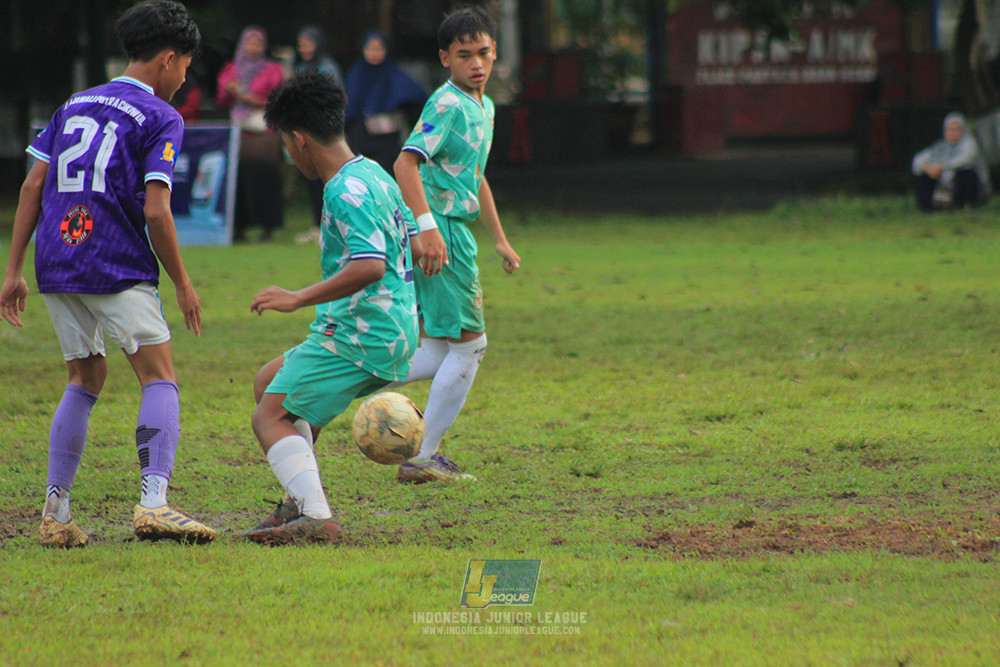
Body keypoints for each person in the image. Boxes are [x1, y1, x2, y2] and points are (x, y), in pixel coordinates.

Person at [0, 0, 215, 548]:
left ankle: (56, 512)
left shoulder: (74, 104)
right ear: (168, 59)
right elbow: (157, 210)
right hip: (115, 261)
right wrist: (185, 284)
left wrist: (14, 269)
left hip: (56, 260)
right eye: (186, 65)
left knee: (84, 379)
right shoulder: (162, 116)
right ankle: (154, 503)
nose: (185, 77)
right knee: (158, 376)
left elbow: (31, 188)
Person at [243, 70, 421, 545]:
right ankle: (296, 501)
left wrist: (297, 297)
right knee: (268, 383)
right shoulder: (371, 172)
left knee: (268, 417)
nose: (285, 152)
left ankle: (315, 515)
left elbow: (370, 265)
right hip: (387, 327)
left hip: (362, 335)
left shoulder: (344, 190)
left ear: (299, 139)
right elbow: (407, 238)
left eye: (284, 141)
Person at [391, 7, 520, 483]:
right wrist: (426, 228)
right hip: (439, 230)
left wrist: (500, 240)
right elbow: (406, 165)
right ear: (445, 58)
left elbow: (475, 177)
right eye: (464, 55)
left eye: (483, 52)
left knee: (437, 350)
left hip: (449, 228)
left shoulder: (483, 106)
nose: (477, 63)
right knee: (471, 347)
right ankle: (424, 457)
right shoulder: (446, 105)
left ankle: (340, 375)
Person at [217, 26, 285, 241]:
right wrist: (230, 92)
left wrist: (246, 95)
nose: (253, 48)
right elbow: (222, 99)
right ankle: (238, 228)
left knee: (265, 180)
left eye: (257, 43)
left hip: (263, 135)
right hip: (238, 134)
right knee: (238, 182)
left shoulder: (272, 69)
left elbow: (276, 98)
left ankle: (268, 228)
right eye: (249, 43)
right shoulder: (232, 68)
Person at [344, 30, 426, 176]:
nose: (374, 53)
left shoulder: (393, 74)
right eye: (370, 48)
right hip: (361, 141)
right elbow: (348, 109)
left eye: (379, 48)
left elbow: (415, 96)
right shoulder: (355, 75)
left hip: (387, 142)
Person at [293, 26, 345, 244]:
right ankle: (317, 225)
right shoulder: (300, 68)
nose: (304, 48)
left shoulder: (328, 68)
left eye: (308, 44)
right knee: (312, 179)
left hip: (325, 132)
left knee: (329, 178)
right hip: (305, 132)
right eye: (301, 44)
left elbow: (334, 100)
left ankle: (332, 226)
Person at [912, 112, 991, 211]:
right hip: (942, 180)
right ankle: (930, 207)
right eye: (949, 129)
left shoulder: (969, 144)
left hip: (967, 183)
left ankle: (965, 204)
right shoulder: (941, 146)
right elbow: (918, 160)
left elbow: (965, 159)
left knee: (966, 173)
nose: (952, 133)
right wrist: (928, 169)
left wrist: (941, 167)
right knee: (924, 177)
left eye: (956, 129)